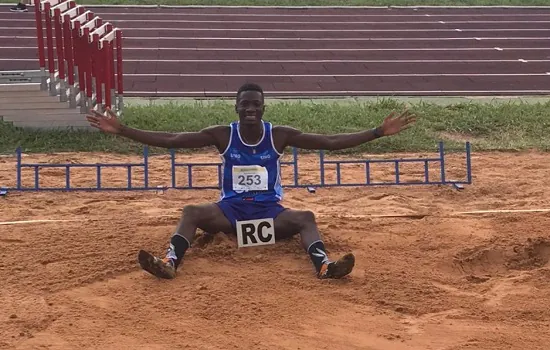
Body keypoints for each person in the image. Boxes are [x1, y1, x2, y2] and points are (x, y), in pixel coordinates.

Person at [85, 83, 416, 280]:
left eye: (256, 104)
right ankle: (169, 263)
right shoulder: (222, 134)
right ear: (237, 107)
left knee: (306, 218)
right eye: (245, 105)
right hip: (230, 213)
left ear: (263, 107)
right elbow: (173, 139)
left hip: (270, 213)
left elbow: (328, 143)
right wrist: (123, 130)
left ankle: (325, 267)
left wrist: (377, 132)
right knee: (191, 212)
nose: (250, 109)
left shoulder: (280, 135)